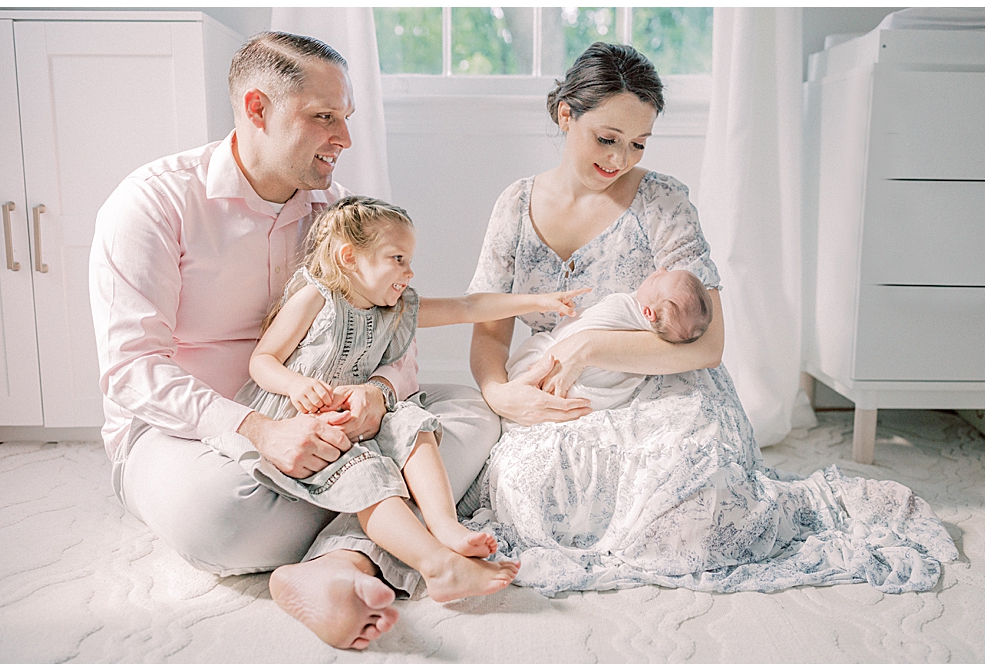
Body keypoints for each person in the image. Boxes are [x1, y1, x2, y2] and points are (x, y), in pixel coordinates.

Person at [464, 42, 957, 596]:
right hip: (561, 389)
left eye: (638, 144)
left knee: (699, 492)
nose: (620, 159)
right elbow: (488, 332)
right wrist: (501, 395)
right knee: (527, 491)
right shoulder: (515, 207)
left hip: (667, 386)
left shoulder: (663, 203)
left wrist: (591, 347)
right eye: (607, 138)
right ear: (565, 114)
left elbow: (707, 346)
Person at [89, 32, 501, 651]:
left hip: (323, 420)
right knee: (223, 517)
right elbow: (131, 372)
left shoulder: (336, 217)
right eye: (323, 117)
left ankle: (337, 565)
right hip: (184, 436)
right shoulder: (154, 202)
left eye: (346, 117)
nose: (345, 138)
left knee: (471, 412)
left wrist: (378, 390)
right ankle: (371, 539)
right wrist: (260, 430)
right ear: (257, 110)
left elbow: (394, 327)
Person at [205, 195, 588, 601]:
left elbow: (467, 306)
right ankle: (435, 565)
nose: (409, 272)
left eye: (409, 260)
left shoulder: (395, 310)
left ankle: (444, 525)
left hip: (351, 415)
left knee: (412, 421)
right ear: (350, 257)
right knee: (370, 474)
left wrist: (539, 302)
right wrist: (296, 385)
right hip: (295, 417)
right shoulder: (317, 298)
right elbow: (262, 360)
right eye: (397, 259)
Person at [505, 267, 712, 413]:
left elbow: (585, 320)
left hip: (554, 367)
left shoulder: (626, 307)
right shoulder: (658, 321)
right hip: (567, 380)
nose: (660, 269)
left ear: (648, 313)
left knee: (539, 350)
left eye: (658, 279)